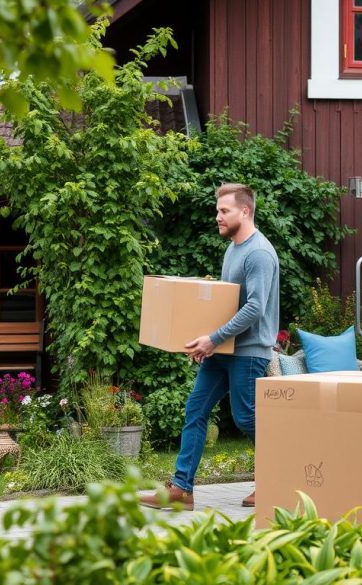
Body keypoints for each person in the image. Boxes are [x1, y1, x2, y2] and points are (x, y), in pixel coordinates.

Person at [141, 183, 280, 511]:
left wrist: (213, 338)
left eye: (224, 211)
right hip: (225, 348)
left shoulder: (258, 253)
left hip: (249, 350)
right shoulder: (233, 249)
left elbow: (255, 307)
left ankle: (279, 478)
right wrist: (208, 342)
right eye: (218, 210)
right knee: (196, 408)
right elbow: (227, 303)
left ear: (244, 211)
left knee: (246, 417)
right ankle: (181, 489)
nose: (217, 217)